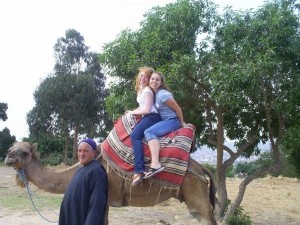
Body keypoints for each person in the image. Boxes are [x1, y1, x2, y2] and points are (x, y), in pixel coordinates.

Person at [143, 71, 185, 179]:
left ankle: (155, 164)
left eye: (157, 79)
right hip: (167, 121)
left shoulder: (163, 94)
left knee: (149, 132)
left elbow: (178, 109)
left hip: (172, 121)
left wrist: (181, 123)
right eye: (152, 79)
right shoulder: (155, 94)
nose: (154, 81)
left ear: (161, 83)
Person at [59, 138, 108, 225]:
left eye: (85, 151)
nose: (81, 154)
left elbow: (97, 203)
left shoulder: (97, 171)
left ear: (93, 153)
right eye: (79, 150)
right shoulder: (80, 168)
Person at [126, 66, 162, 186]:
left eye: (146, 77)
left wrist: (132, 112)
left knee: (135, 136)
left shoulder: (147, 91)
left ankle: (139, 170)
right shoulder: (141, 89)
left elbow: (146, 110)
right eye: (141, 76)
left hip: (152, 116)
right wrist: (131, 111)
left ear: (148, 79)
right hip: (147, 116)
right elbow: (141, 106)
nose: (142, 78)